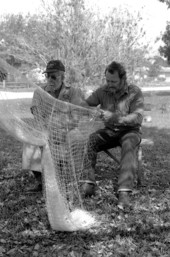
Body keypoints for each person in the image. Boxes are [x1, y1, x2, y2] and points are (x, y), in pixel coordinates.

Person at [83, 61, 144, 209]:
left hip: (130, 131)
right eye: (107, 80)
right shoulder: (102, 91)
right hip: (110, 132)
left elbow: (137, 118)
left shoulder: (134, 92)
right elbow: (85, 104)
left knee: (129, 145)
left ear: (123, 79)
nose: (110, 84)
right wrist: (79, 101)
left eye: (113, 81)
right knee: (90, 141)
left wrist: (114, 117)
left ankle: (124, 192)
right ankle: (88, 183)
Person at [22, 60, 84, 192]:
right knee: (31, 141)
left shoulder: (73, 92)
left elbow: (76, 118)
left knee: (76, 138)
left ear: (62, 77)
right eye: (47, 76)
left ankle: (71, 180)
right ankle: (41, 181)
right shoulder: (39, 92)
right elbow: (37, 115)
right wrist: (48, 130)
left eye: (53, 76)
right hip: (46, 130)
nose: (50, 79)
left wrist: (61, 129)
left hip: (67, 129)